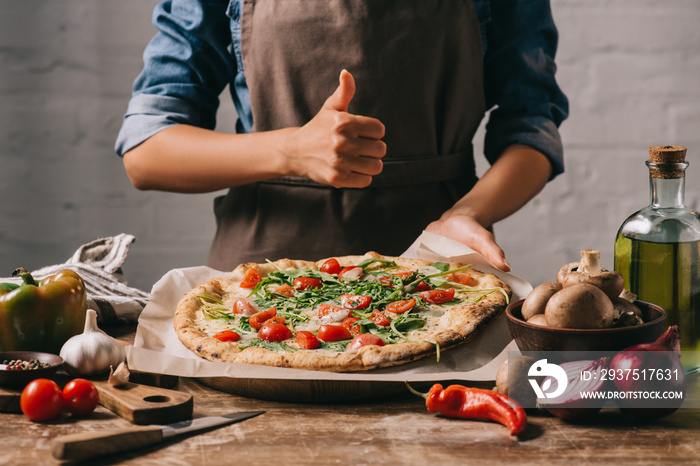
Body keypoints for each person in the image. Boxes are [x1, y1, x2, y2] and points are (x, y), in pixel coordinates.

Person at [116, 0, 568, 273]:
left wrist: (468, 213)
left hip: (440, 271)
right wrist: (291, 151)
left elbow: (531, 126)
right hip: (255, 288)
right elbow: (147, 150)